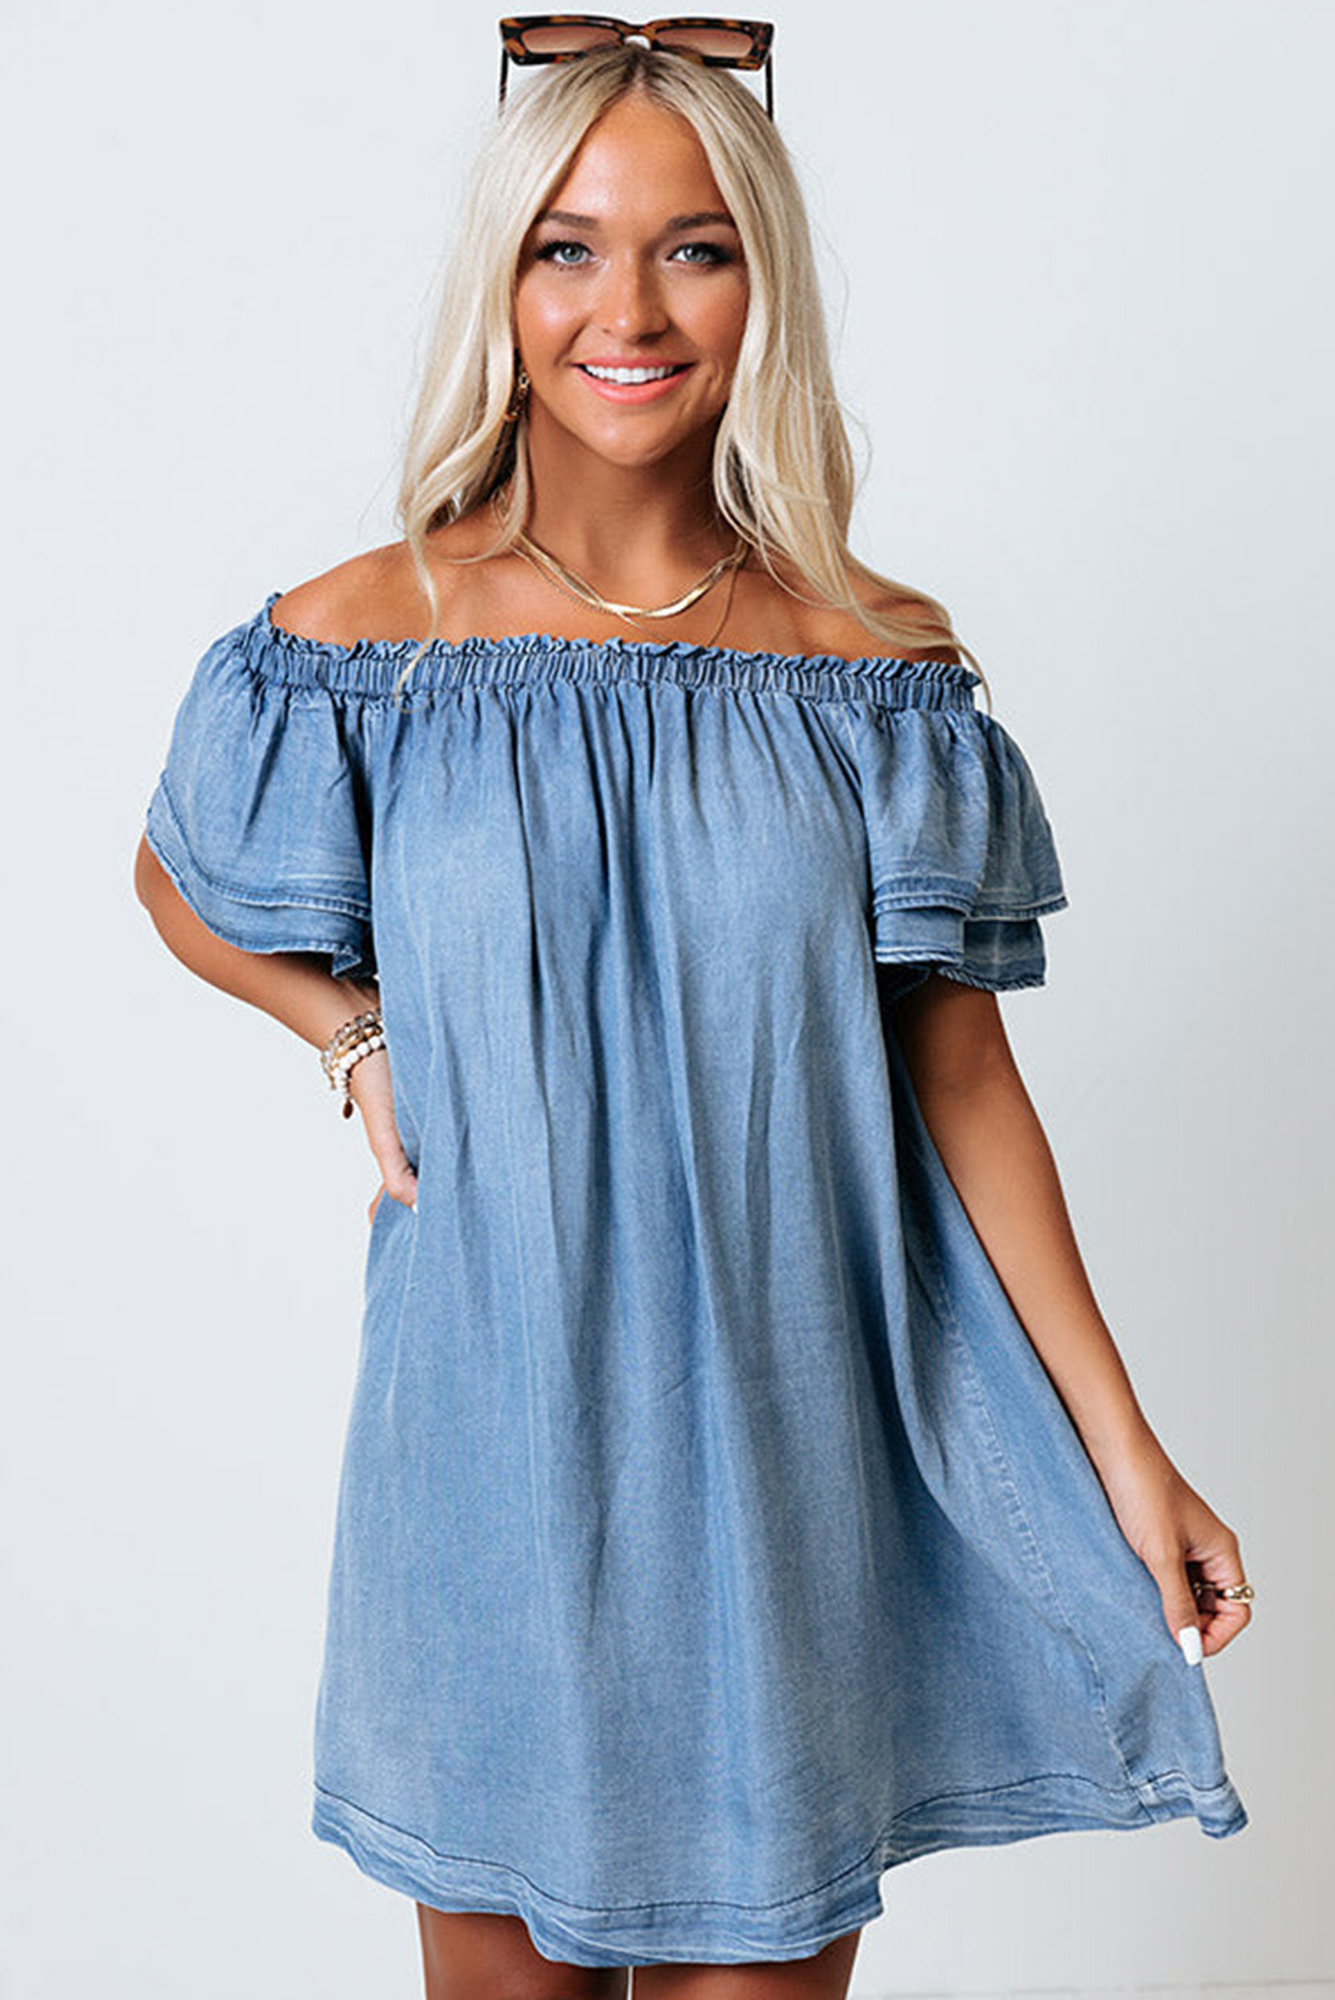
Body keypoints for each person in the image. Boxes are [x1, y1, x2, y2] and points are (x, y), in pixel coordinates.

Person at [134, 23, 1254, 2000]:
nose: (629, 311)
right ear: (502, 283)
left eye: (696, 248)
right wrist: (351, 1033)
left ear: (765, 285)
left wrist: (1124, 1450)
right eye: (566, 249)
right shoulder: (364, 641)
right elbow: (176, 884)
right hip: (487, 1451)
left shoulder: (868, 665)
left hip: (783, 1460)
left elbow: (960, 1074)